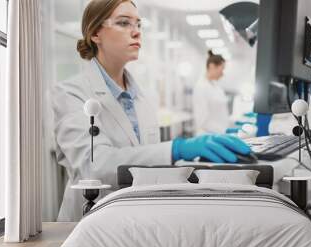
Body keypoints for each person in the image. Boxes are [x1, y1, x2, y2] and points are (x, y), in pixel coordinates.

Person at [52, 0, 252, 221]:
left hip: (137, 218)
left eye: (138, 24)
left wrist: (191, 166)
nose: (136, 32)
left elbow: (146, 160)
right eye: (124, 23)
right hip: (90, 222)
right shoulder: (70, 94)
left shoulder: (143, 96)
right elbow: (96, 167)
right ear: (95, 34)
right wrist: (176, 149)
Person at [192, 51, 231, 135]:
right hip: (207, 136)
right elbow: (202, 120)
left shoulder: (216, 87)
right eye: (222, 69)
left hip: (219, 134)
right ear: (212, 66)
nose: (222, 74)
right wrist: (224, 130)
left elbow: (221, 113)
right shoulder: (201, 87)